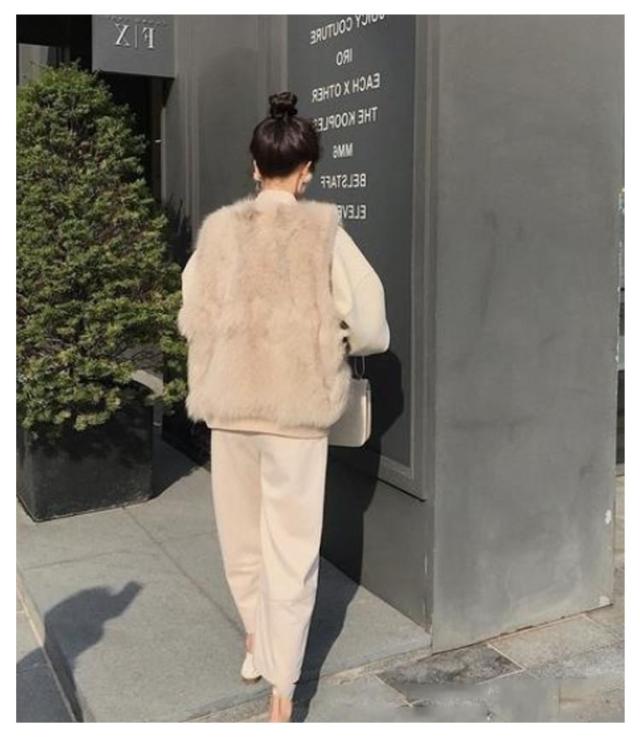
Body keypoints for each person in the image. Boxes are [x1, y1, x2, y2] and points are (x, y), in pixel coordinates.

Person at [177, 91, 390, 722]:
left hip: (232, 409)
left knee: (241, 540)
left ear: (254, 167)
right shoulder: (324, 233)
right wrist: (331, 340)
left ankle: (254, 641)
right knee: (291, 551)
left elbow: (192, 309)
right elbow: (369, 322)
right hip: (296, 413)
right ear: (307, 171)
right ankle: (283, 693)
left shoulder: (219, 233)